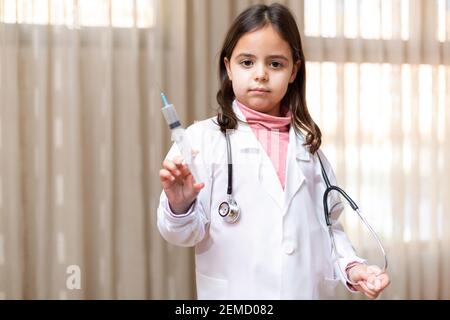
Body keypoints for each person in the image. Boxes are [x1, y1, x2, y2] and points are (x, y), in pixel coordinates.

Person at [157, 3, 390, 299]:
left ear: (294, 70)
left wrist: (353, 267)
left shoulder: (309, 148)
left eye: (275, 64)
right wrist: (179, 206)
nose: (261, 75)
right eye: (247, 62)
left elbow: (327, 227)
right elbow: (182, 233)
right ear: (228, 68)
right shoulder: (201, 140)